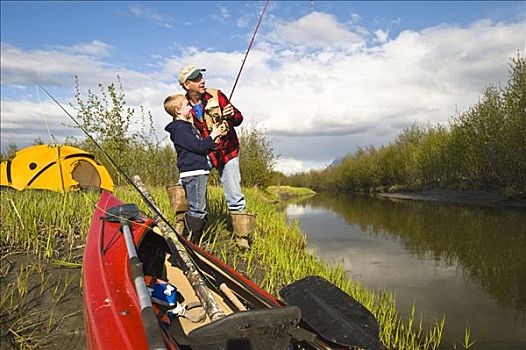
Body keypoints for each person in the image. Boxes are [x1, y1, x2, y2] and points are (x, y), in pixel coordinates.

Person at [178, 65, 252, 249]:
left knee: (235, 194)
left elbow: (239, 118)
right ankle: (180, 224)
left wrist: (231, 114)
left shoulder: (216, 94)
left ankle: (242, 237)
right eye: (196, 79)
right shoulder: (181, 105)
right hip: (204, 153)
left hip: (228, 151)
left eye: (202, 77)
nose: (202, 81)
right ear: (187, 85)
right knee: (184, 185)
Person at [164, 94, 223, 245]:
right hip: (195, 173)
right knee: (198, 210)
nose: (191, 107)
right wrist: (213, 136)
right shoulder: (181, 129)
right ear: (178, 110)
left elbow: (200, 147)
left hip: (195, 172)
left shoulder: (186, 128)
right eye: (187, 105)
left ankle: (190, 241)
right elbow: (199, 147)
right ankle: (189, 244)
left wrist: (213, 138)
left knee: (196, 208)